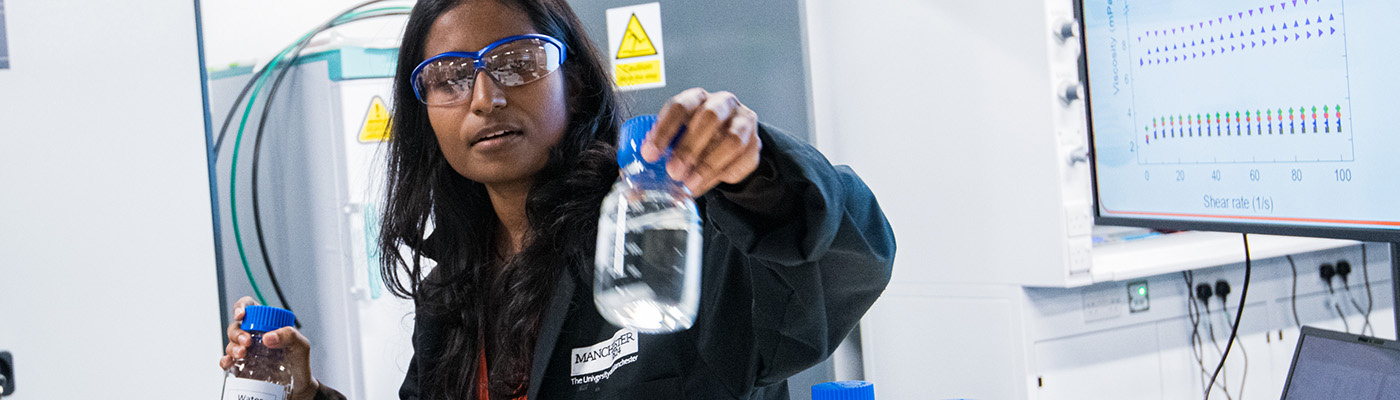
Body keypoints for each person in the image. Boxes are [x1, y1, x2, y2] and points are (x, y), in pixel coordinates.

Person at [219, 0, 895, 399]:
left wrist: (760, 174)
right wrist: (304, 393)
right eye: (450, 77)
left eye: (517, 62)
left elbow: (848, 265)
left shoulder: (662, 232)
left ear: (572, 77)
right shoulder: (452, 291)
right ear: (423, 111)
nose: (485, 96)